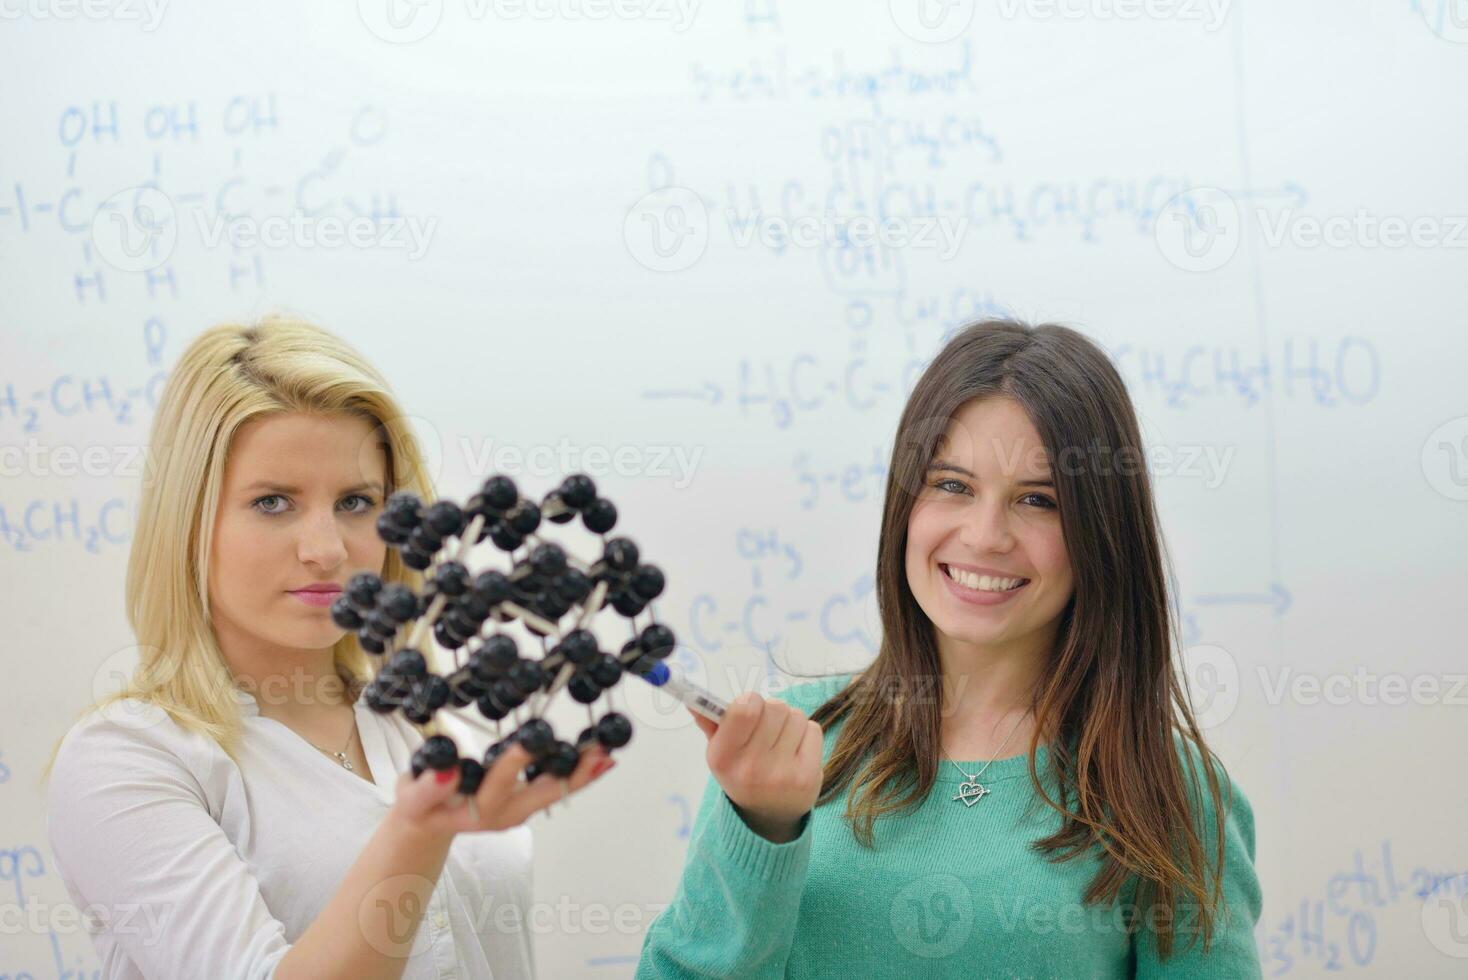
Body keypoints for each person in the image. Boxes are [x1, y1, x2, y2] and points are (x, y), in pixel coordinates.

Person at [637, 318, 1263, 978]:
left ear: (1101, 532)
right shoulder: (790, 747)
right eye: (953, 485)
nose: (985, 535)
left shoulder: (1168, 789)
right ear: (906, 504)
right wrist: (761, 829)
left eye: (1039, 500)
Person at [42, 316, 614, 979]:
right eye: (273, 503)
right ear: (190, 521)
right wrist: (419, 834)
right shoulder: (130, 760)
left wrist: (759, 817)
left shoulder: (429, 725)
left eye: (355, 501)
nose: (327, 550)